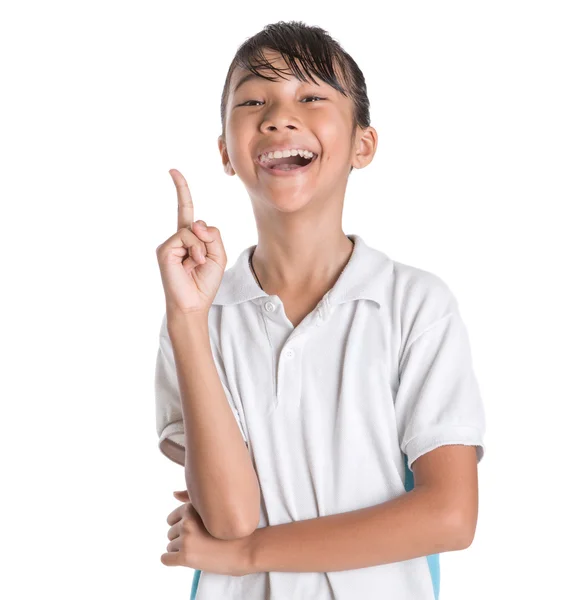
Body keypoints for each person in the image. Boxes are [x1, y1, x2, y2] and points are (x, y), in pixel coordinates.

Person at [155, 20, 486, 600]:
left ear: (363, 143)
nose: (279, 115)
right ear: (226, 154)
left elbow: (450, 516)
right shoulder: (196, 319)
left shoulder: (414, 306)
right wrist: (186, 318)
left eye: (311, 97)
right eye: (254, 100)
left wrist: (247, 554)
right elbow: (230, 517)